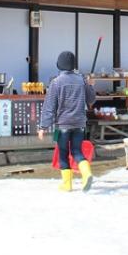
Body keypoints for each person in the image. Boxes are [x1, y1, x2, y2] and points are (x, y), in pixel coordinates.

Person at [38, 51, 96, 192]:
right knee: (77, 151)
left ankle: (67, 184)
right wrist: (91, 85)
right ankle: (86, 173)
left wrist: (43, 126)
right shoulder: (82, 80)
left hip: (63, 124)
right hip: (80, 123)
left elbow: (49, 106)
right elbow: (91, 100)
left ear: (60, 65)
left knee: (63, 153)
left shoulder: (56, 82)